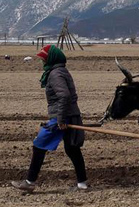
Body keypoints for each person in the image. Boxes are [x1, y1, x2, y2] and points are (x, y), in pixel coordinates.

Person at [11, 45, 89, 192]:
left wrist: (60, 120)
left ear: (51, 59)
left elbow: (64, 96)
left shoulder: (55, 74)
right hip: (71, 115)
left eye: (44, 59)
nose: (42, 62)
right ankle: (82, 184)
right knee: (72, 150)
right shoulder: (61, 71)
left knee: (39, 145)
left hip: (62, 118)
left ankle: (29, 182)